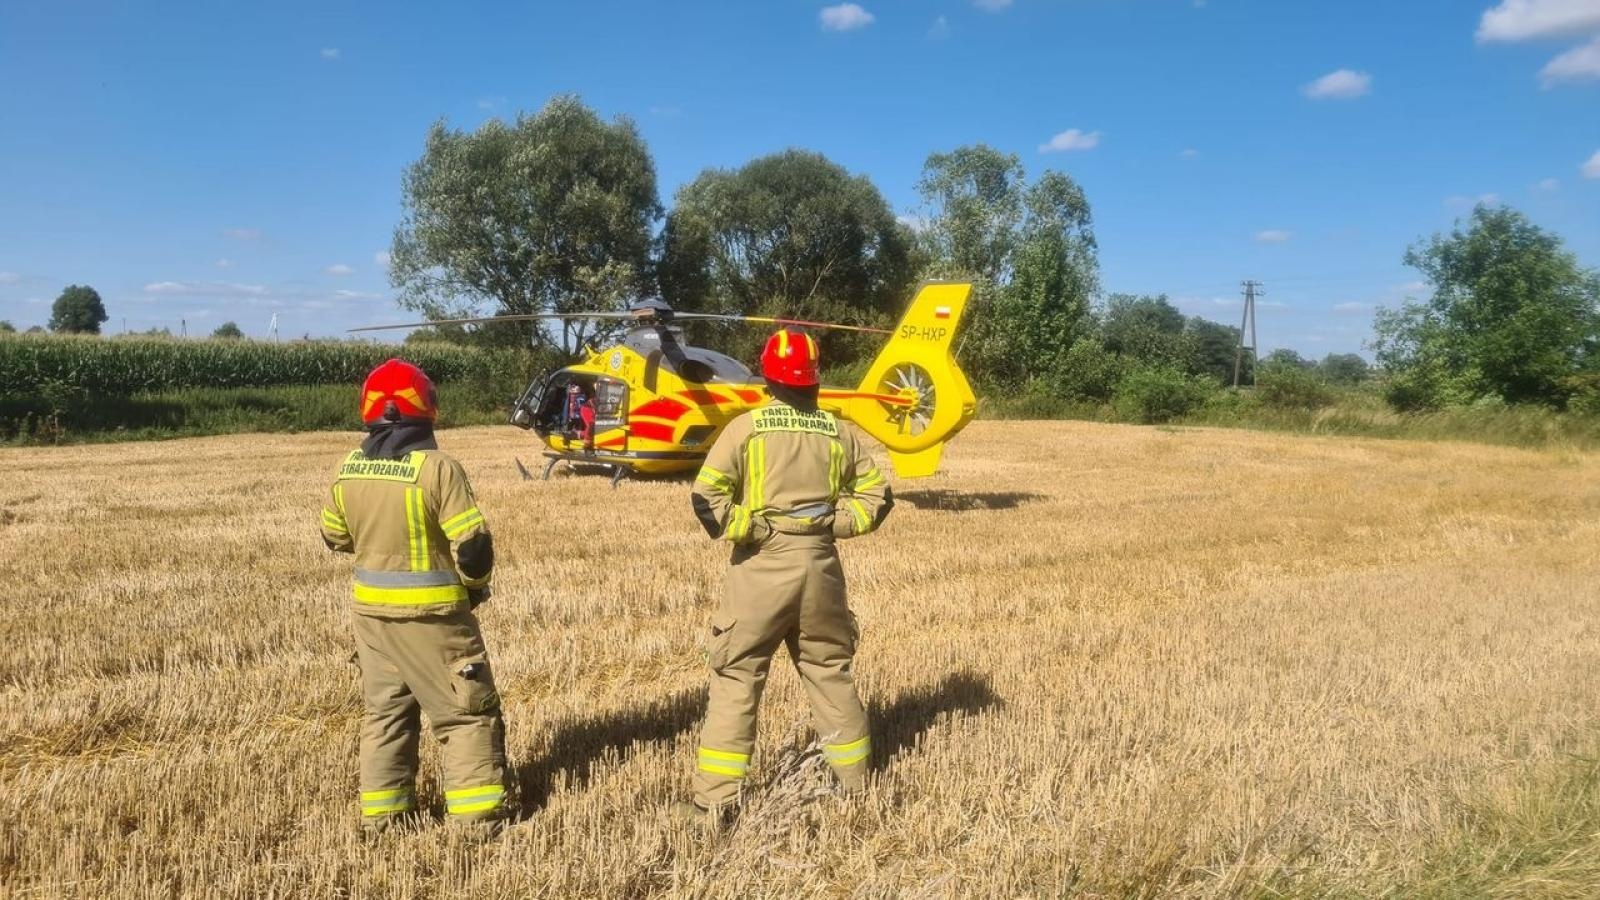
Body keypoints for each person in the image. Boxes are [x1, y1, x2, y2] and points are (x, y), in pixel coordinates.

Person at [683, 328, 893, 824]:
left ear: (768, 379)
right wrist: (834, 525)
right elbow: (878, 498)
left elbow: (706, 499)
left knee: (737, 679)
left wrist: (753, 529)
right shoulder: (838, 432)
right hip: (821, 568)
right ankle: (856, 786)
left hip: (761, 570)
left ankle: (714, 806)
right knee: (830, 672)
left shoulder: (746, 428)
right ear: (815, 380)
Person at [318, 358, 509, 835]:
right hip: (433, 617)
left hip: (371, 618)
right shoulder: (438, 469)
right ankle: (476, 821)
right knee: (465, 714)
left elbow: (334, 537)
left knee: (385, 716)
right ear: (425, 407)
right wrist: (475, 587)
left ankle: (384, 817)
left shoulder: (347, 468)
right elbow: (474, 548)